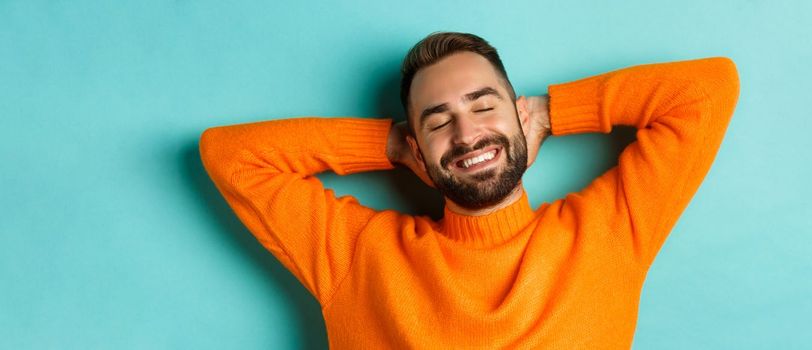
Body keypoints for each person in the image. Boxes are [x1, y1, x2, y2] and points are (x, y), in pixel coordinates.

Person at [199, 31, 740, 348]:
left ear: (518, 115)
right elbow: (230, 155)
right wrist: (391, 145)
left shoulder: (609, 233)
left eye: (484, 106)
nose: (466, 134)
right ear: (417, 147)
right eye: (438, 122)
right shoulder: (359, 256)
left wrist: (552, 114)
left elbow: (707, 92)